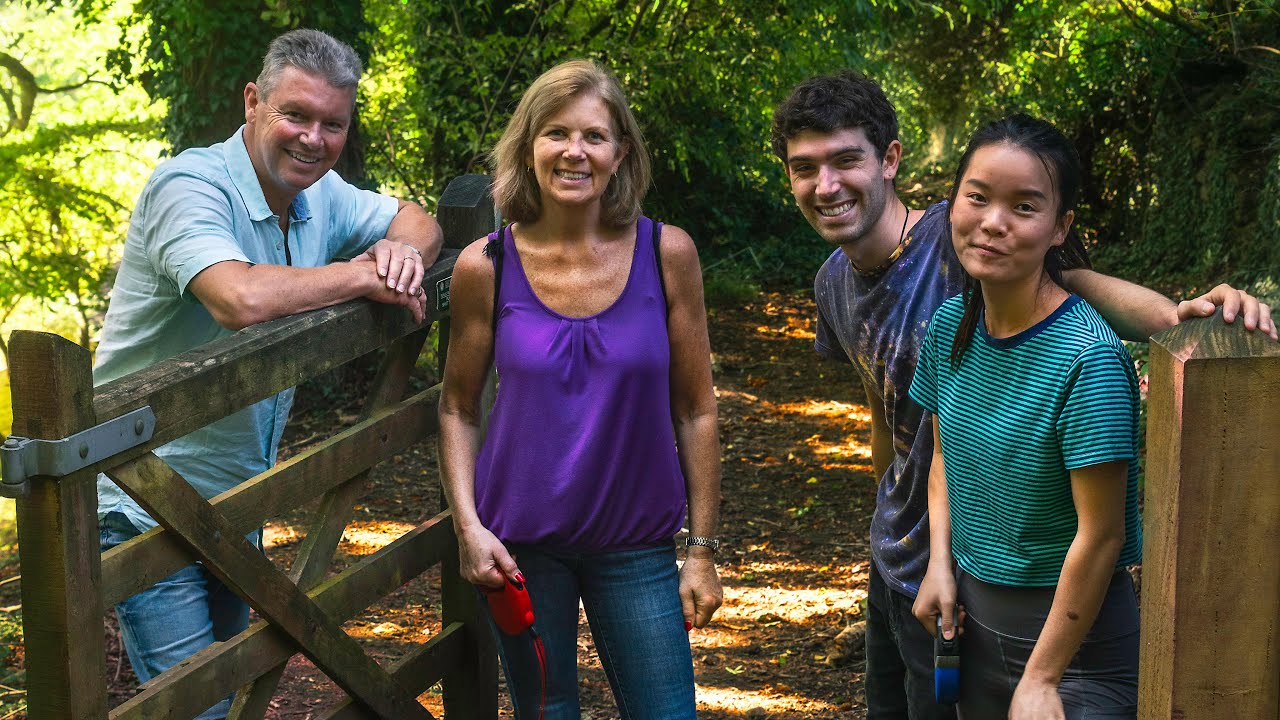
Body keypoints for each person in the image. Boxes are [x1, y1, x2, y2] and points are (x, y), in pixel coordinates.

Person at [768, 71, 1275, 720]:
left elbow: (1077, 284)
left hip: (1031, 595)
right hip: (917, 564)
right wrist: (911, 538)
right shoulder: (843, 285)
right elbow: (899, 420)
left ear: (890, 159)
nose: (827, 185)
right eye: (805, 167)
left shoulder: (968, 247)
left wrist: (1183, 319)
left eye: (845, 160)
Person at [94, 29, 442, 719]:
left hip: (232, 511)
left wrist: (400, 254)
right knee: (202, 710)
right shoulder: (187, 185)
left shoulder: (320, 193)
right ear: (252, 102)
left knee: (231, 693)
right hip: (140, 502)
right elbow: (238, 298)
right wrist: (359, 275)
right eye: (296, 115)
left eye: (332, 123)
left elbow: (417, 219)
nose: (313, 138)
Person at [438, 59, 723, 720]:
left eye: (594, 136)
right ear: (528, 146)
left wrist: (702, 551)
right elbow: (457, 406)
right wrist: (468, 528)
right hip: (519, 547)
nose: (574, 151)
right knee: (547, 712)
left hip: (637, 546)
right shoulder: (486, 264)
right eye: (556, 133)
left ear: (620, 152)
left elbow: (697, 409)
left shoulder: (665, 252)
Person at [910, 114, 1143, 719]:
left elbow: (1102, 536)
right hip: (975, 635)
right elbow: (942, 456)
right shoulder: (948, 329)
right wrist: (940, 565)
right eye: (978, 198)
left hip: (1079, 651)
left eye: (1024, 206)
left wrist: (1042, 680)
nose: (994, 223)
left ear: (1061, 226)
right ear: (952, 202)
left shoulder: (1089, 358)